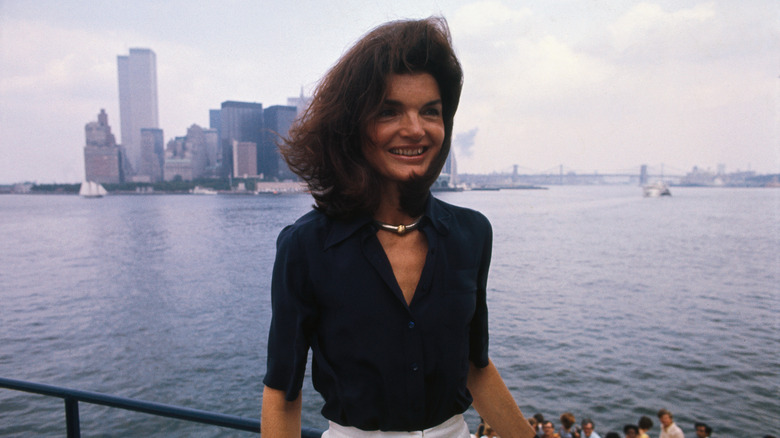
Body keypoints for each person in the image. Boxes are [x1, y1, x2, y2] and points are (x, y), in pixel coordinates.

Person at [260, 17, 536, 438]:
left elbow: (475, 368)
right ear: (354, 125)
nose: (415, 129)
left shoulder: (471, 234)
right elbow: (283, 394)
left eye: (431, 111)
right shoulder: (307, 247)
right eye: (389, 111)